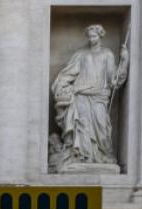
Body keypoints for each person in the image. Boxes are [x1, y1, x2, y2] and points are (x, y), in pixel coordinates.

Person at [50, 24, 129, 171]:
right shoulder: (81, 55)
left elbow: (113, 79)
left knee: (101, 128)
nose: (92, 39)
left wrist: (124, 61)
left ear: (100, 36)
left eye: (94, 36)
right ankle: (82, 156)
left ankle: (103, 155)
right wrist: (61, 85)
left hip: (99, 96)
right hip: (81, 95)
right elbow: (69, 73)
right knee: (82, 126)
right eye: (90, 36)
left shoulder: (107, 55)